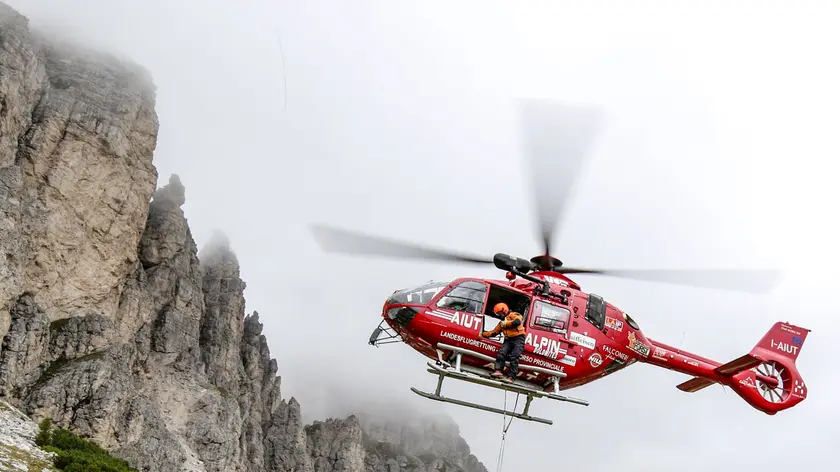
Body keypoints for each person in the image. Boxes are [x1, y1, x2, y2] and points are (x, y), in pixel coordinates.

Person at [480, 302, 526, 383]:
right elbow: (494, 332)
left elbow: (517, 322)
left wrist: (506, 324)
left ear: (504, 311)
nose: (499, 316)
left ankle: (511, 377)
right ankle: (498, 371)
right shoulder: (501, 323)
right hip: (508, 340)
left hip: (518, 339)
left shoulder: (514, 314)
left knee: (514, 357)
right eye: (497, 314)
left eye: (499, 313)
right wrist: (482, 334)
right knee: (501, 353)